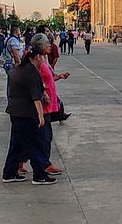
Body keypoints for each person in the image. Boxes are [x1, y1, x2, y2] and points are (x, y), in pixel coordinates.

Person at [1, 45, 54, 185]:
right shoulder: (32, 72)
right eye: (42, 57)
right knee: (35, 144)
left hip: (15, 111)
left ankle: (9, 172)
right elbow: (35, 96)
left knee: (16, 144)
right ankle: (40, 175)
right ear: (36, 57)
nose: (43, 60)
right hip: (28, 114)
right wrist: (41, 115)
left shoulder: (16, 70)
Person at [32, 34, 70, 176]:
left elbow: (48, 78)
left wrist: (59, 76)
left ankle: (25, 163)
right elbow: (34, 81)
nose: (50, 45)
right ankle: (43, 165)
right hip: (44, 104)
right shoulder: (37, 62)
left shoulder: (44, 60)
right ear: (40, 47)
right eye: (47, 44)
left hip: (50, 103)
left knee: (45, 137)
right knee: (44, 137)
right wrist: (43, 94)